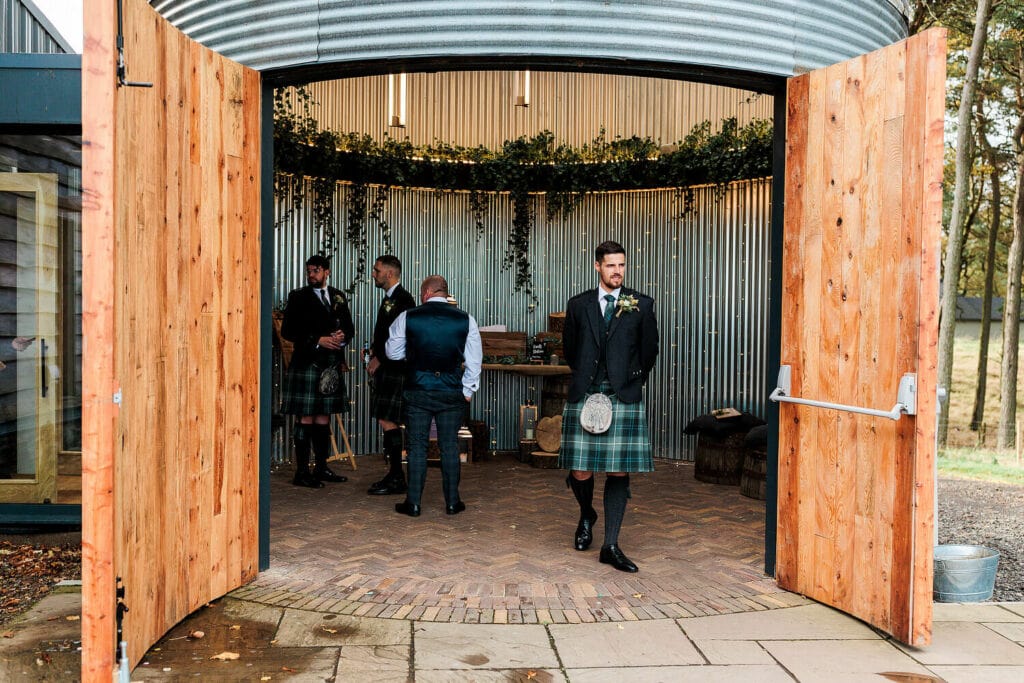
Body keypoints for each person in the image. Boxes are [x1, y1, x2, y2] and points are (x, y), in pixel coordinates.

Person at [559, 240, 659, 572]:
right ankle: (586, 513)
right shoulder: (578, 305)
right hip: (586, 390)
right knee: (581, 468)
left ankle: (611, 544)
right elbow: (571, 350)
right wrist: (588, 376)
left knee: (618, 469)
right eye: (611, 265)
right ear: (597, 267)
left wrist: (629, 383)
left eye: (622, 265)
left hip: (623, 393)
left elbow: (648, 352)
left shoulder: (641, 305)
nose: (618, 271)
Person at [386, 275, 482, 516]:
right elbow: (474, 361)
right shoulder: (465, 319)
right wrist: (467, 390)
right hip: (451, 392)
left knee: (417, 446)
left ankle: (414, 503)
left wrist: (413, 352)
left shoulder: (408, 316)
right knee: (449, 446)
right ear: (445, 292)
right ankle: (452, 502)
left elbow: (393, 353)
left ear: (427, 293)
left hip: (418, 389)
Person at [280, 255, 356, 488]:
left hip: (330, 365)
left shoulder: (338, 296)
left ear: (327, 272)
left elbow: (349, 328)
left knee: (323, 417)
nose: (311, 275)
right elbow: (288, 331)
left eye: (316, 271)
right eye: (309, 271)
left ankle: (322, 468)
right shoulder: (298, 297)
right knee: (306, 417)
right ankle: (302, 472)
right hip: (307, 363)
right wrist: (317, 340)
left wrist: (342, 337)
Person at [364, 255, 417, 495]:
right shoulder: (390, 298)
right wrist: (374, 349)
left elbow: (401, 339)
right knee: (387, 420)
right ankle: (395, 474)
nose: (373, 274)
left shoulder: (403, 300)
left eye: (376, 270)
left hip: (396, 370)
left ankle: (397, 477)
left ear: (389, 273)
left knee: (389, 421)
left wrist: (380, 358)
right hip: (389, 368)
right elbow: (386, 333)